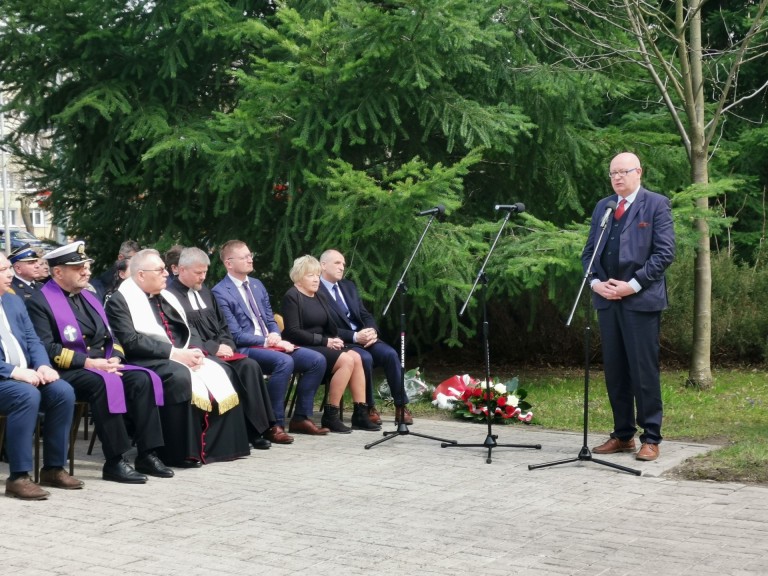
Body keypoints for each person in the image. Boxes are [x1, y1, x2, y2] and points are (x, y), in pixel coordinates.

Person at [27, 241, 173, 484]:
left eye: (86, 266)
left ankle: (147, 453)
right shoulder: (39, 302)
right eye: (78, 267)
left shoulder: (89, 297)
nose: (86, 271)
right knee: (104, 383)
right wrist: (89, 363)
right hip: (65, 370)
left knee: (143, 378)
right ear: (58, 272)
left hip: (102, 365)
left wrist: (115, 356)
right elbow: (45, 347)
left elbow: (110, 336)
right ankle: (115, 461)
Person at [105, 249, 250, 467]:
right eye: (160, 270)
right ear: (141, 274)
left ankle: (219, 448)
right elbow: (131, 341)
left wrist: (195, 351)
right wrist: (175, 354)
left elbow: (187, 329)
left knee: (224, 370)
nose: (166, 274)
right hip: (143, 360)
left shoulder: (166, 297)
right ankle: (179, 453)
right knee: (180, 376)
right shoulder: (120, 300)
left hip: (176, 354)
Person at [582, 152, 676, 462]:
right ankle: (623, 435)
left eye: (624, 171)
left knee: (642, 369)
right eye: (613, 173)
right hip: (608, 300)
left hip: (640, 301)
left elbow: (664, 254)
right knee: (616, 370)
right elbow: (589, 253)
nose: (618, 177)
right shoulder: (604, 207)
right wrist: (596, 283)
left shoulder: (656, 204)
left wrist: (632, 285)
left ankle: (651, 436)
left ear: (639, 172)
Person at [166, 246, 287, 449]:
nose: (202, 277)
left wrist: (227, 344)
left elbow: (223, 325)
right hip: (199, 353)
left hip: (221, 349)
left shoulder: (205, 292)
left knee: (250, 366)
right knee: (229, 370)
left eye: (205, 272)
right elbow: (183, 333)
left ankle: (258, 429)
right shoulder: (170, 296)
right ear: (181, 269)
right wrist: (214, 348)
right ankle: (238, 434)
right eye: (198, 273)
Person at [212, 240, 329, 437]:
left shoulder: (257, 285)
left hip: (271, 344)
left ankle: (301, 417)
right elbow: (234, 334)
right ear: (229, 263)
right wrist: (268, 341)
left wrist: (274, 333)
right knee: (284, 362)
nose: (250, 259)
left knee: (317, 360)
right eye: (245, 257)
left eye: (250, 255)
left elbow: (269, 318)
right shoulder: (220, 292)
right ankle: (273, 423)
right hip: (245, 348)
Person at [0, 252, 83, 499]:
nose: (9, 274)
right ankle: (18, 476)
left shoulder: (13, 301)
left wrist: (44, 366)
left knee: (62, 391)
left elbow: (33, 339)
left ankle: (53, 468)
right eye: (3, 270)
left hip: (24, 375)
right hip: (7, 379)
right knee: (25, 396)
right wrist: (16, 372)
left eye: (8, 269)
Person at [281, 255, 380, 433]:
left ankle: (360, 413)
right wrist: (325, 341)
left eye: (317, 275)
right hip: (302, 346)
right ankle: (331, 415)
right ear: (299, 276)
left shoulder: (319, 295)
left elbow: (329, 325)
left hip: (323, 344)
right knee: (346, 361)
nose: (315, 279)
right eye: (310, 275)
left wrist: (336, 339)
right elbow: (292, 332)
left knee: (356, 357)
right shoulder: (292, 296)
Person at [319, 249, 413, 426]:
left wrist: (372, 331)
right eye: (337, 263)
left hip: (364, 338)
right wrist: (355, 336)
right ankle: (368, 407)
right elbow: (324, 327)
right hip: (342, 342)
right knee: (365, 358)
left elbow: (364, 314)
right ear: (323, 265)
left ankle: (401, 405)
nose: (342, 267)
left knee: (391, 354)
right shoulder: (316, 290)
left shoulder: (348, 286)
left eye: (344, 264)